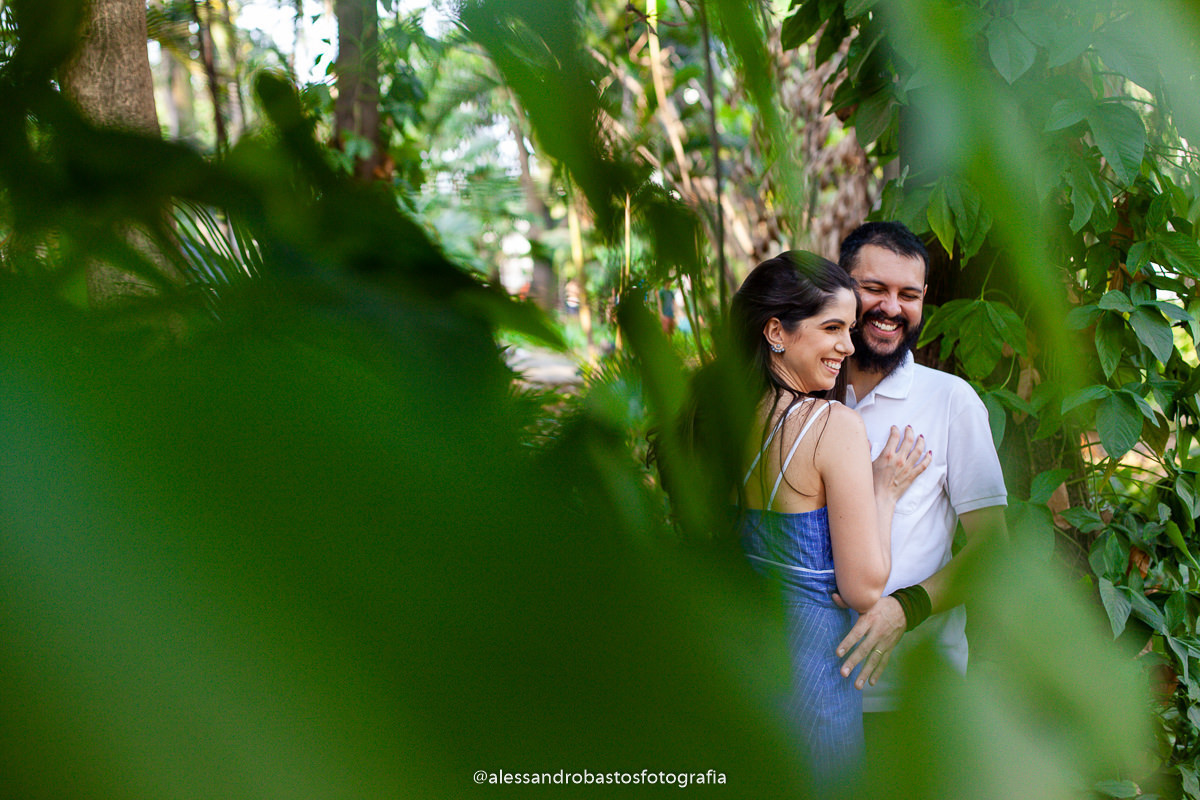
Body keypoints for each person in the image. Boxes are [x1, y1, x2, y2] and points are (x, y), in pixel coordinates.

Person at [729, 251, 930, 783]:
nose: (848, 344)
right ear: (776, 330)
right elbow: (864, 588)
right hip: (811, 666)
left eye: (850, 327)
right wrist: (882, 490)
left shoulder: (723, 415)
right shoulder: (829, 425)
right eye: (832, 328)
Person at [832, 222, 1008, 739]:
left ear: (924, 300)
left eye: (908, 295)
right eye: (874, 289)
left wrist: (906, 609)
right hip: (807, 694)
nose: (891, 308)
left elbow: (993, 550)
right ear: (841, 287)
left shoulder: (951, 401)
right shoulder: (805, 397)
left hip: (915, 703)